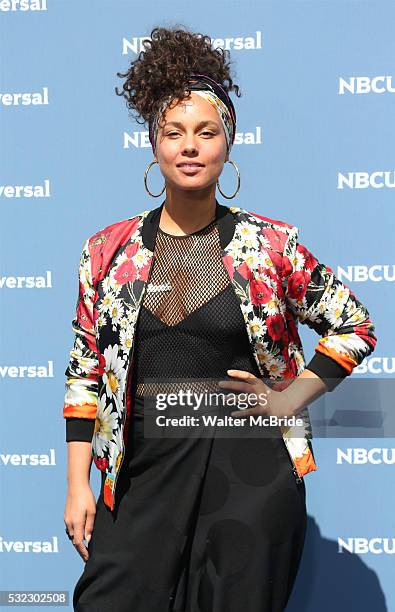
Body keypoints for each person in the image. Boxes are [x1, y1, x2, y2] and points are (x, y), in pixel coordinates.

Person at [63, 25, 377, 612]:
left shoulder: (270, 246)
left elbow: (355, 325)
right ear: (154, 145)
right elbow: (84, 369)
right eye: (173, 132)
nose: (189, 146)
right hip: (143, 475)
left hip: (249, 477)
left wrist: (289, 398)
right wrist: (78, 483)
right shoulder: (106, 251)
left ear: (228, 144)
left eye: (206, 132)